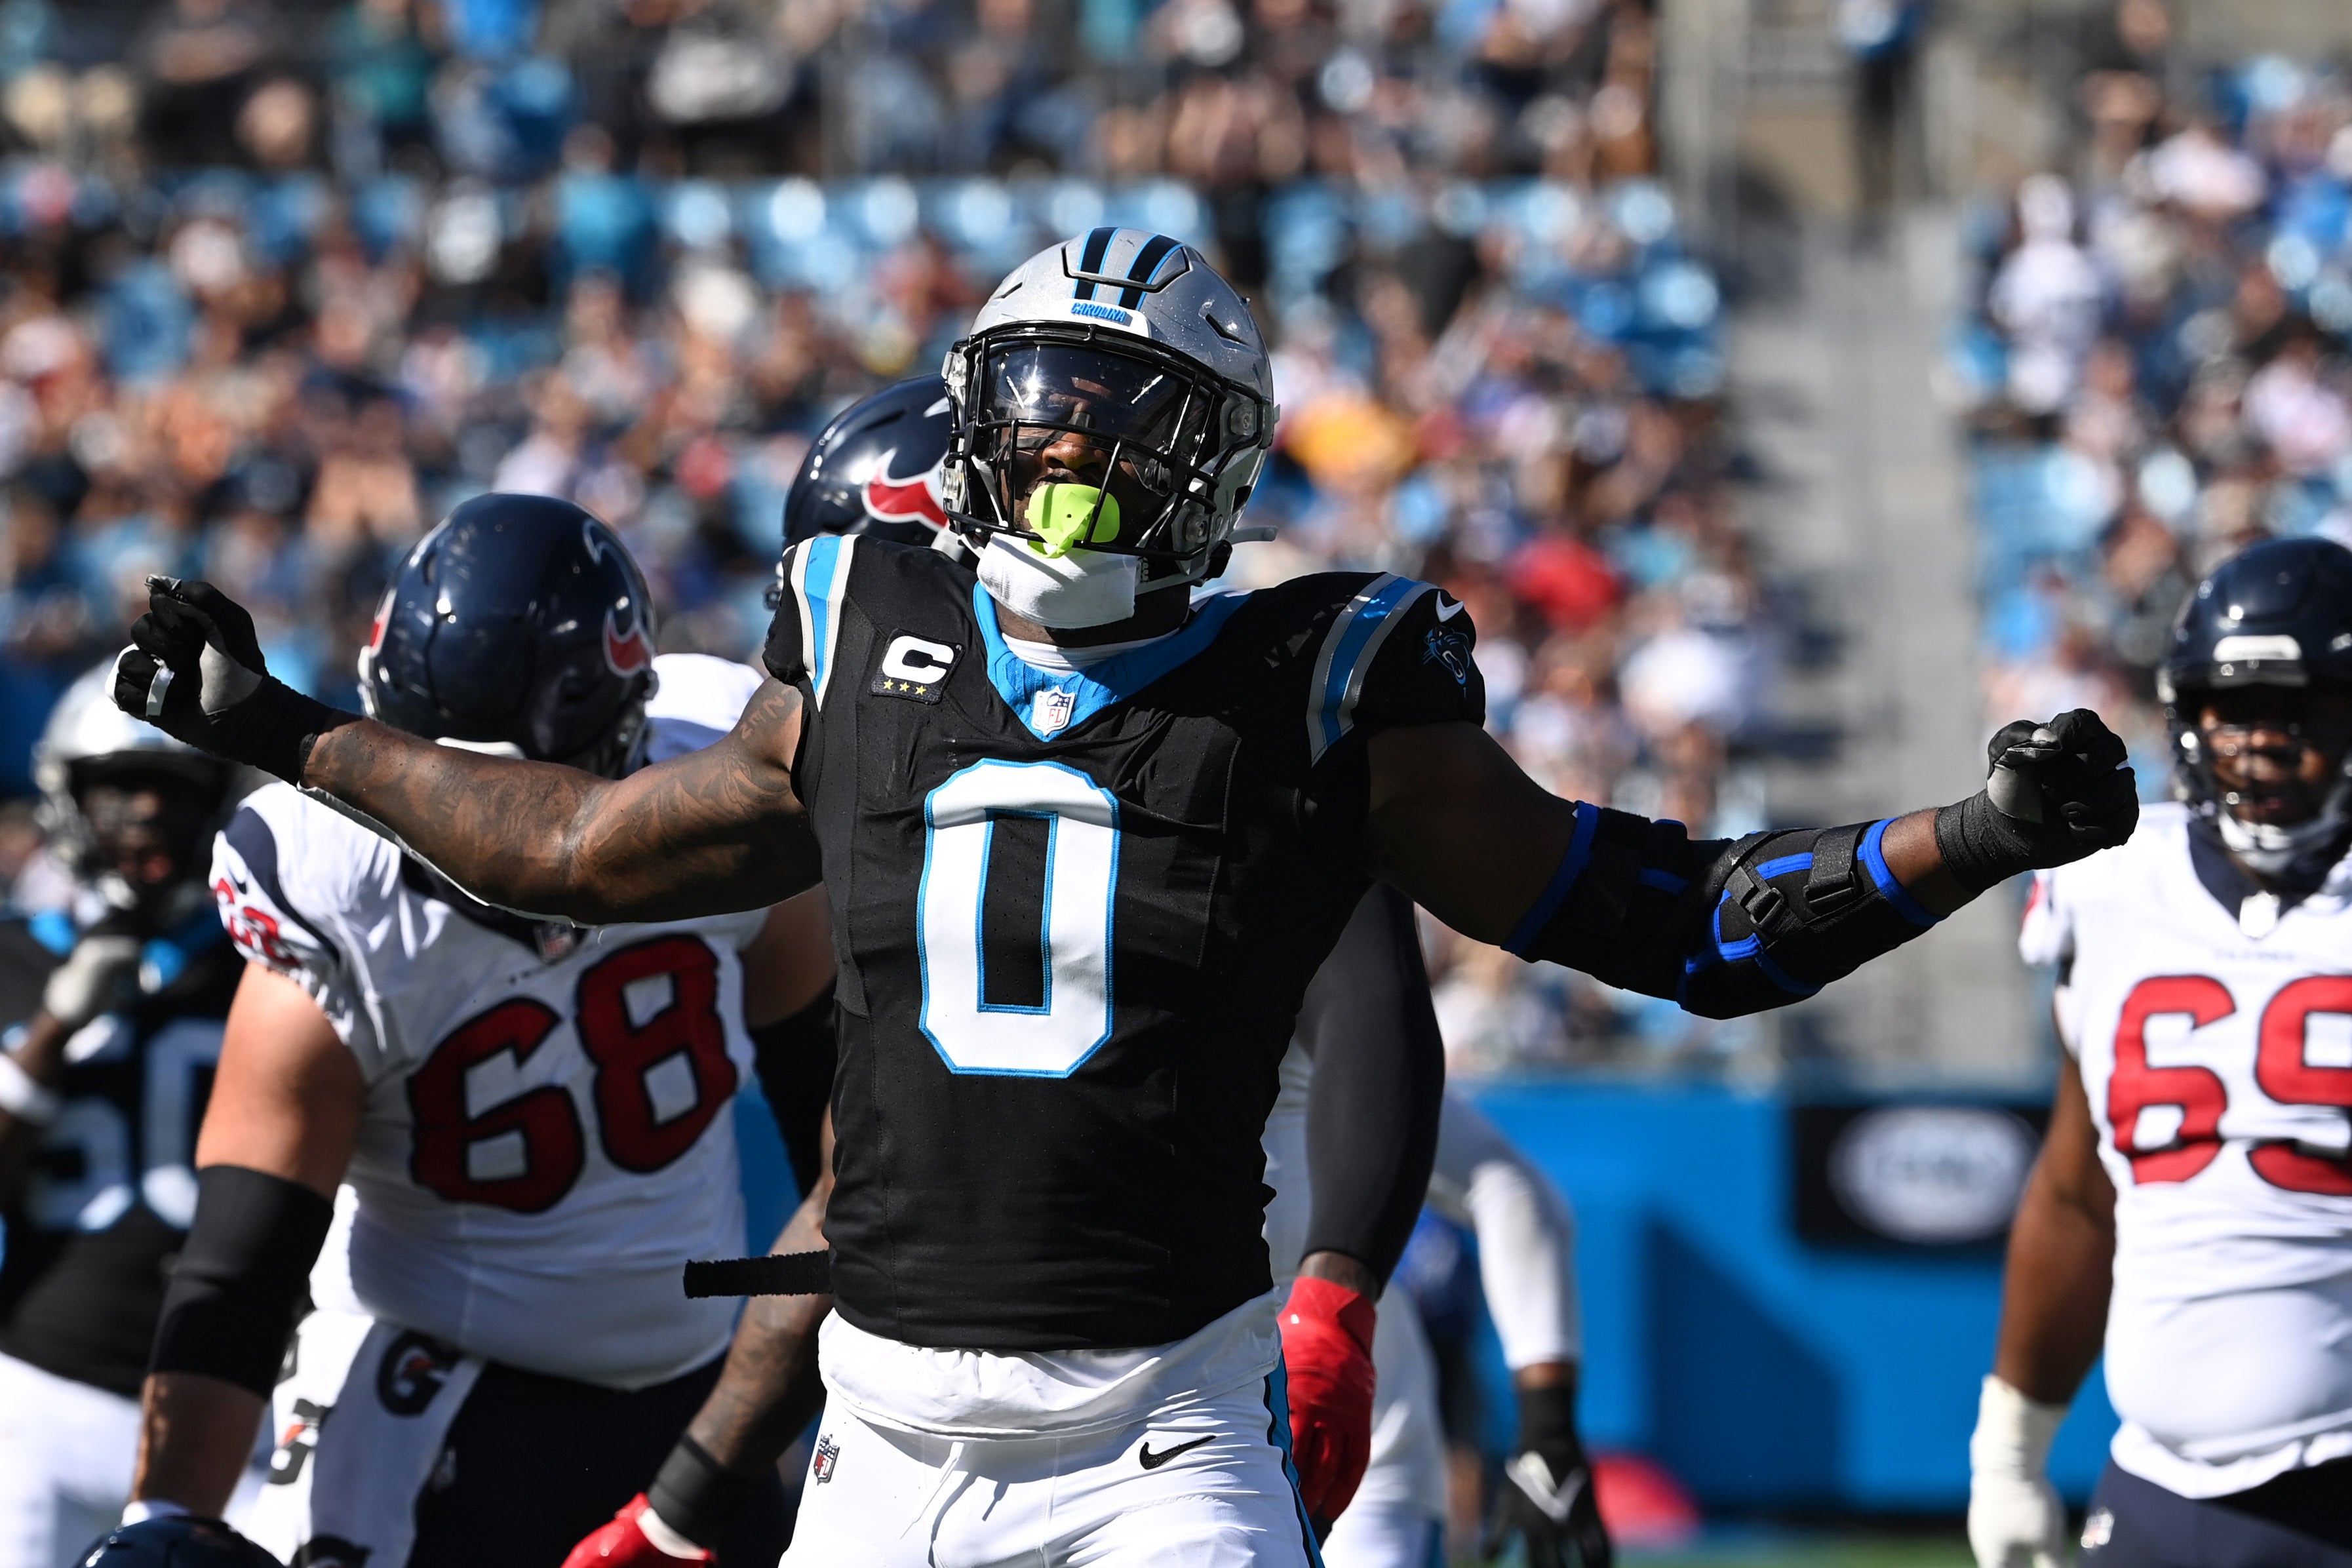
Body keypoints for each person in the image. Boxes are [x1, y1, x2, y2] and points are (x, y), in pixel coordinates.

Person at [117, 229, 2139, 1567]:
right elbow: (563, 846)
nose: (1071, 475)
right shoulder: (861, 613)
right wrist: (286, 725)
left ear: (1216, 469)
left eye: (1122, 438)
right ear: (972, 433)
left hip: (1157, 1446)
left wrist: (1962, 831)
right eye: (1040, 425)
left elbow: (1677, 920)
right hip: (880, 1442)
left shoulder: (1324, 685)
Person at [563, 384, 1445, 1566]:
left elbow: (1376, 1015)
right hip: (974, 1414)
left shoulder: (1230, 723)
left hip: (1231, 1382)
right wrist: (684, 1502)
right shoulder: (900, 791)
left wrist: (1333, 1305)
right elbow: (863, 1213)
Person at [119, 496, 833, 1567]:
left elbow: (834, 1116)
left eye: (535, 796)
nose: (489, 839)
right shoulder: (334, 888)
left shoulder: (715, 774)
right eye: (446, 793)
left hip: (689, 1394)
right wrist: (167, 1517)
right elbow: (243, 1261)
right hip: (431, 1398)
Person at [1970, 536, 2352, 1568]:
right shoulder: (2112, 886)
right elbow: (2078, 1187)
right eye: (2236, 708)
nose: (2263, 740)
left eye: (2303, 704)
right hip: (2156, 1492)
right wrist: (2011, 1444)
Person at [1259, 891, 1608, 1568]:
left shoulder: (1299, 1031)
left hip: (1341, 1448)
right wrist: (1548, 1429)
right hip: (1163, 1434)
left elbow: (1510, 1191)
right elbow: (1517, 1194)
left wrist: (1548, 1430)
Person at [0, 664, 245, 1568]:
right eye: (122, 787)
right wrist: (51, 1032)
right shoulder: (13, 960)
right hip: (39, 1393)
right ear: (70, 794)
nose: (147, 812)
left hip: (228, 1413)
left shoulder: (266, 966)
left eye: (172, 788)